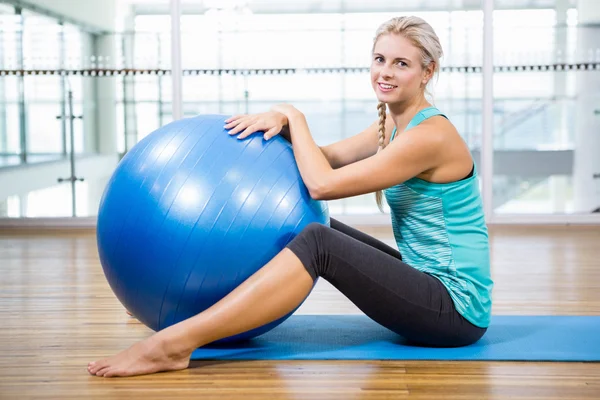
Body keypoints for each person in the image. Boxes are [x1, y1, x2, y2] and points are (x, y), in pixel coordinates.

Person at [88, 15, 493, 378]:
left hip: (454, 310)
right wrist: (281, 126)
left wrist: (294, 116)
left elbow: (323, 184)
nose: (384, 72)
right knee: (322, 226)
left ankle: (173, 345)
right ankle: (182, 300)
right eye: (379, 59)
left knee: (319, 242)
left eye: (401, 63)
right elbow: (327, 159)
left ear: (427, 72)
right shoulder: (391, 126)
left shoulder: (431, 136)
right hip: (426, 279)